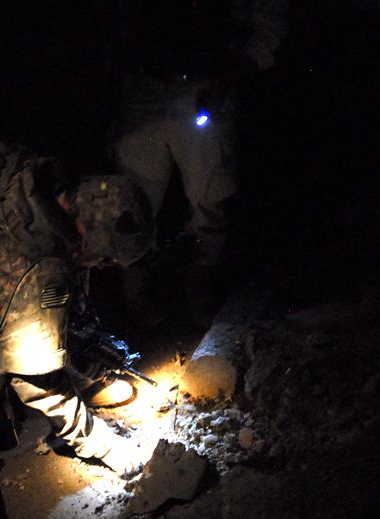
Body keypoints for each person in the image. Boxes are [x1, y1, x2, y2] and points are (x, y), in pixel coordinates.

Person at [0, 139, 156, 476]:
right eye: (107, 258)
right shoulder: (33, 271)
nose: (104, 266)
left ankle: (83, 372)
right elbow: (36, 381)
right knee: (15, 364)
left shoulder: (45, 183)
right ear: (84, 230)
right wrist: (104, 444)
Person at [112, 0, 290, 327]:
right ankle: (135, 302)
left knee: (210, 200)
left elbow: (270, 24)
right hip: (144, 88)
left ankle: (199, 291)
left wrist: (231, 75)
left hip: (203, 89)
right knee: (130, 202)